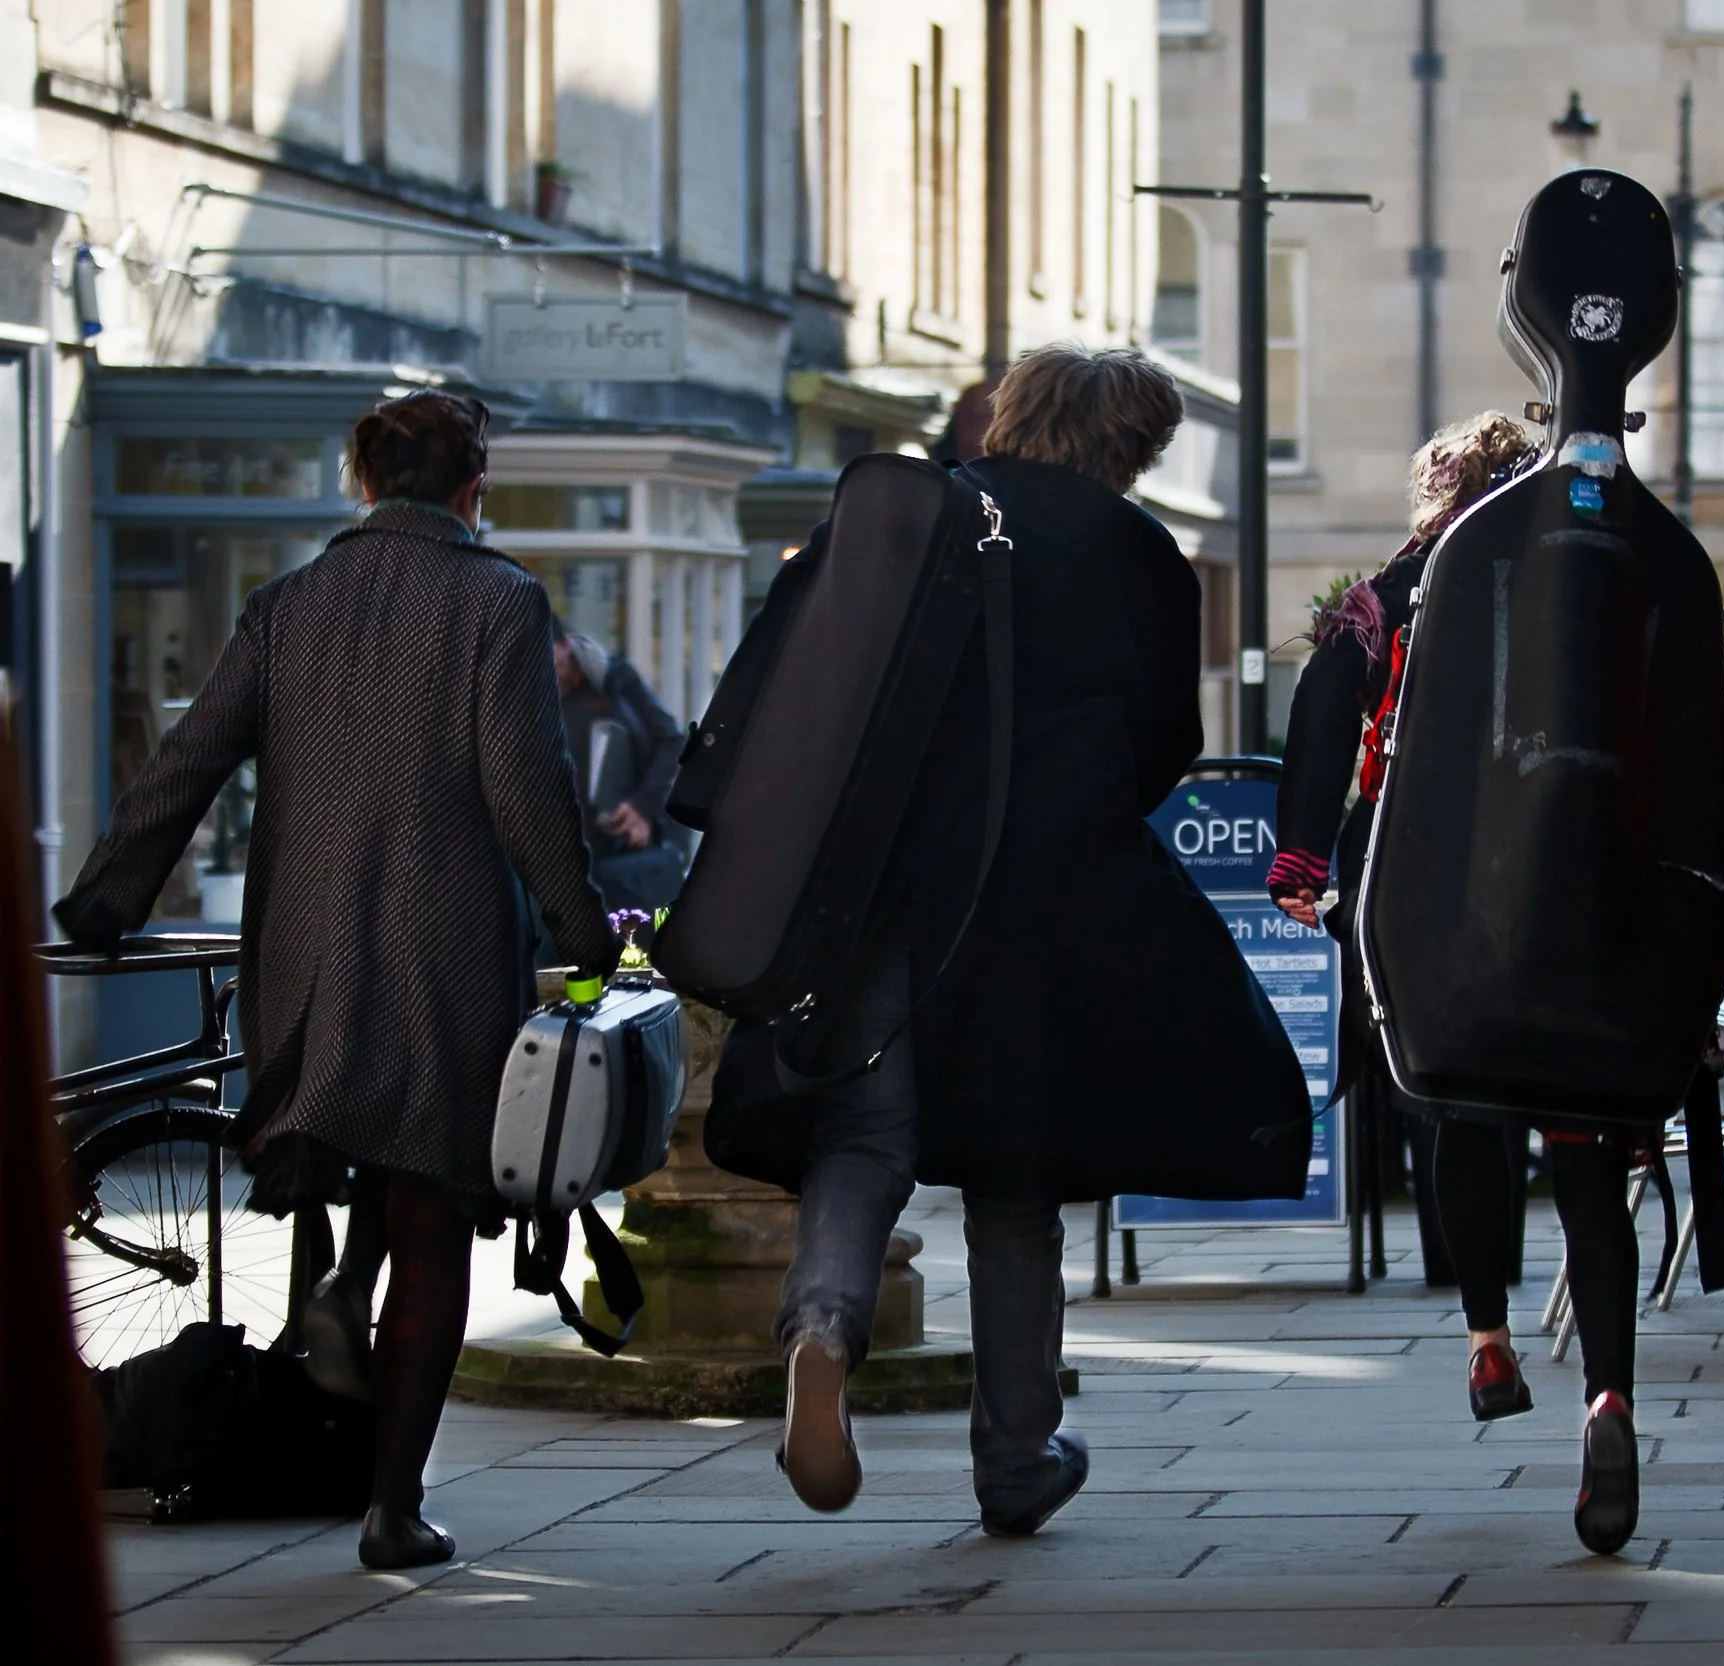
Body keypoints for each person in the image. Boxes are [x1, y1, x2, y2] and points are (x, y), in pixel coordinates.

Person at [705, 344, 1308, 1535]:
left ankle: (821, 1330)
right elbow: (1162, 744)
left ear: (1013, 414)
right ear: (1130, 447)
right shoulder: (1136, 551)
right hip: (1044, 892)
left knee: (861, 1134)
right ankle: (1017, 1455)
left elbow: (787, 678)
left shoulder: (901, 513)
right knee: (1014, 1172)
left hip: (870, 884)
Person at [53, 390, 619, 1569]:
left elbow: (192, 754)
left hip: (302, 946)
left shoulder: (287, 602)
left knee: (336, 1138)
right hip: (444, 947)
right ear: (473, 488)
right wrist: (580, 928)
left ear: (362, 484)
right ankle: (391, 1506)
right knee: (433, 1215)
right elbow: (525, 782)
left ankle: (337, 1290)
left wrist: (108, 896)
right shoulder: (498, 599)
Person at [1268, 411, 1652, 1556]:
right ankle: (1610, 1392)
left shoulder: (1394, 591)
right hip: (1573, 879)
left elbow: (1321, 703)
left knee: (1456, 1105)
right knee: (1582, 1142)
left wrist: (1300, 857)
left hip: (1425, 885)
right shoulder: (1588, 576)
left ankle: (1488, 1339)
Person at [550, 619, 690, 912]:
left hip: (627, 845)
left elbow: (670, 742)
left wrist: (642, 807)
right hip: (568, 850)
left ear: (566, 644)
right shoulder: (535, 701)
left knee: (640, 931)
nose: (549, 670)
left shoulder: (616, 679)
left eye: (550, 657)